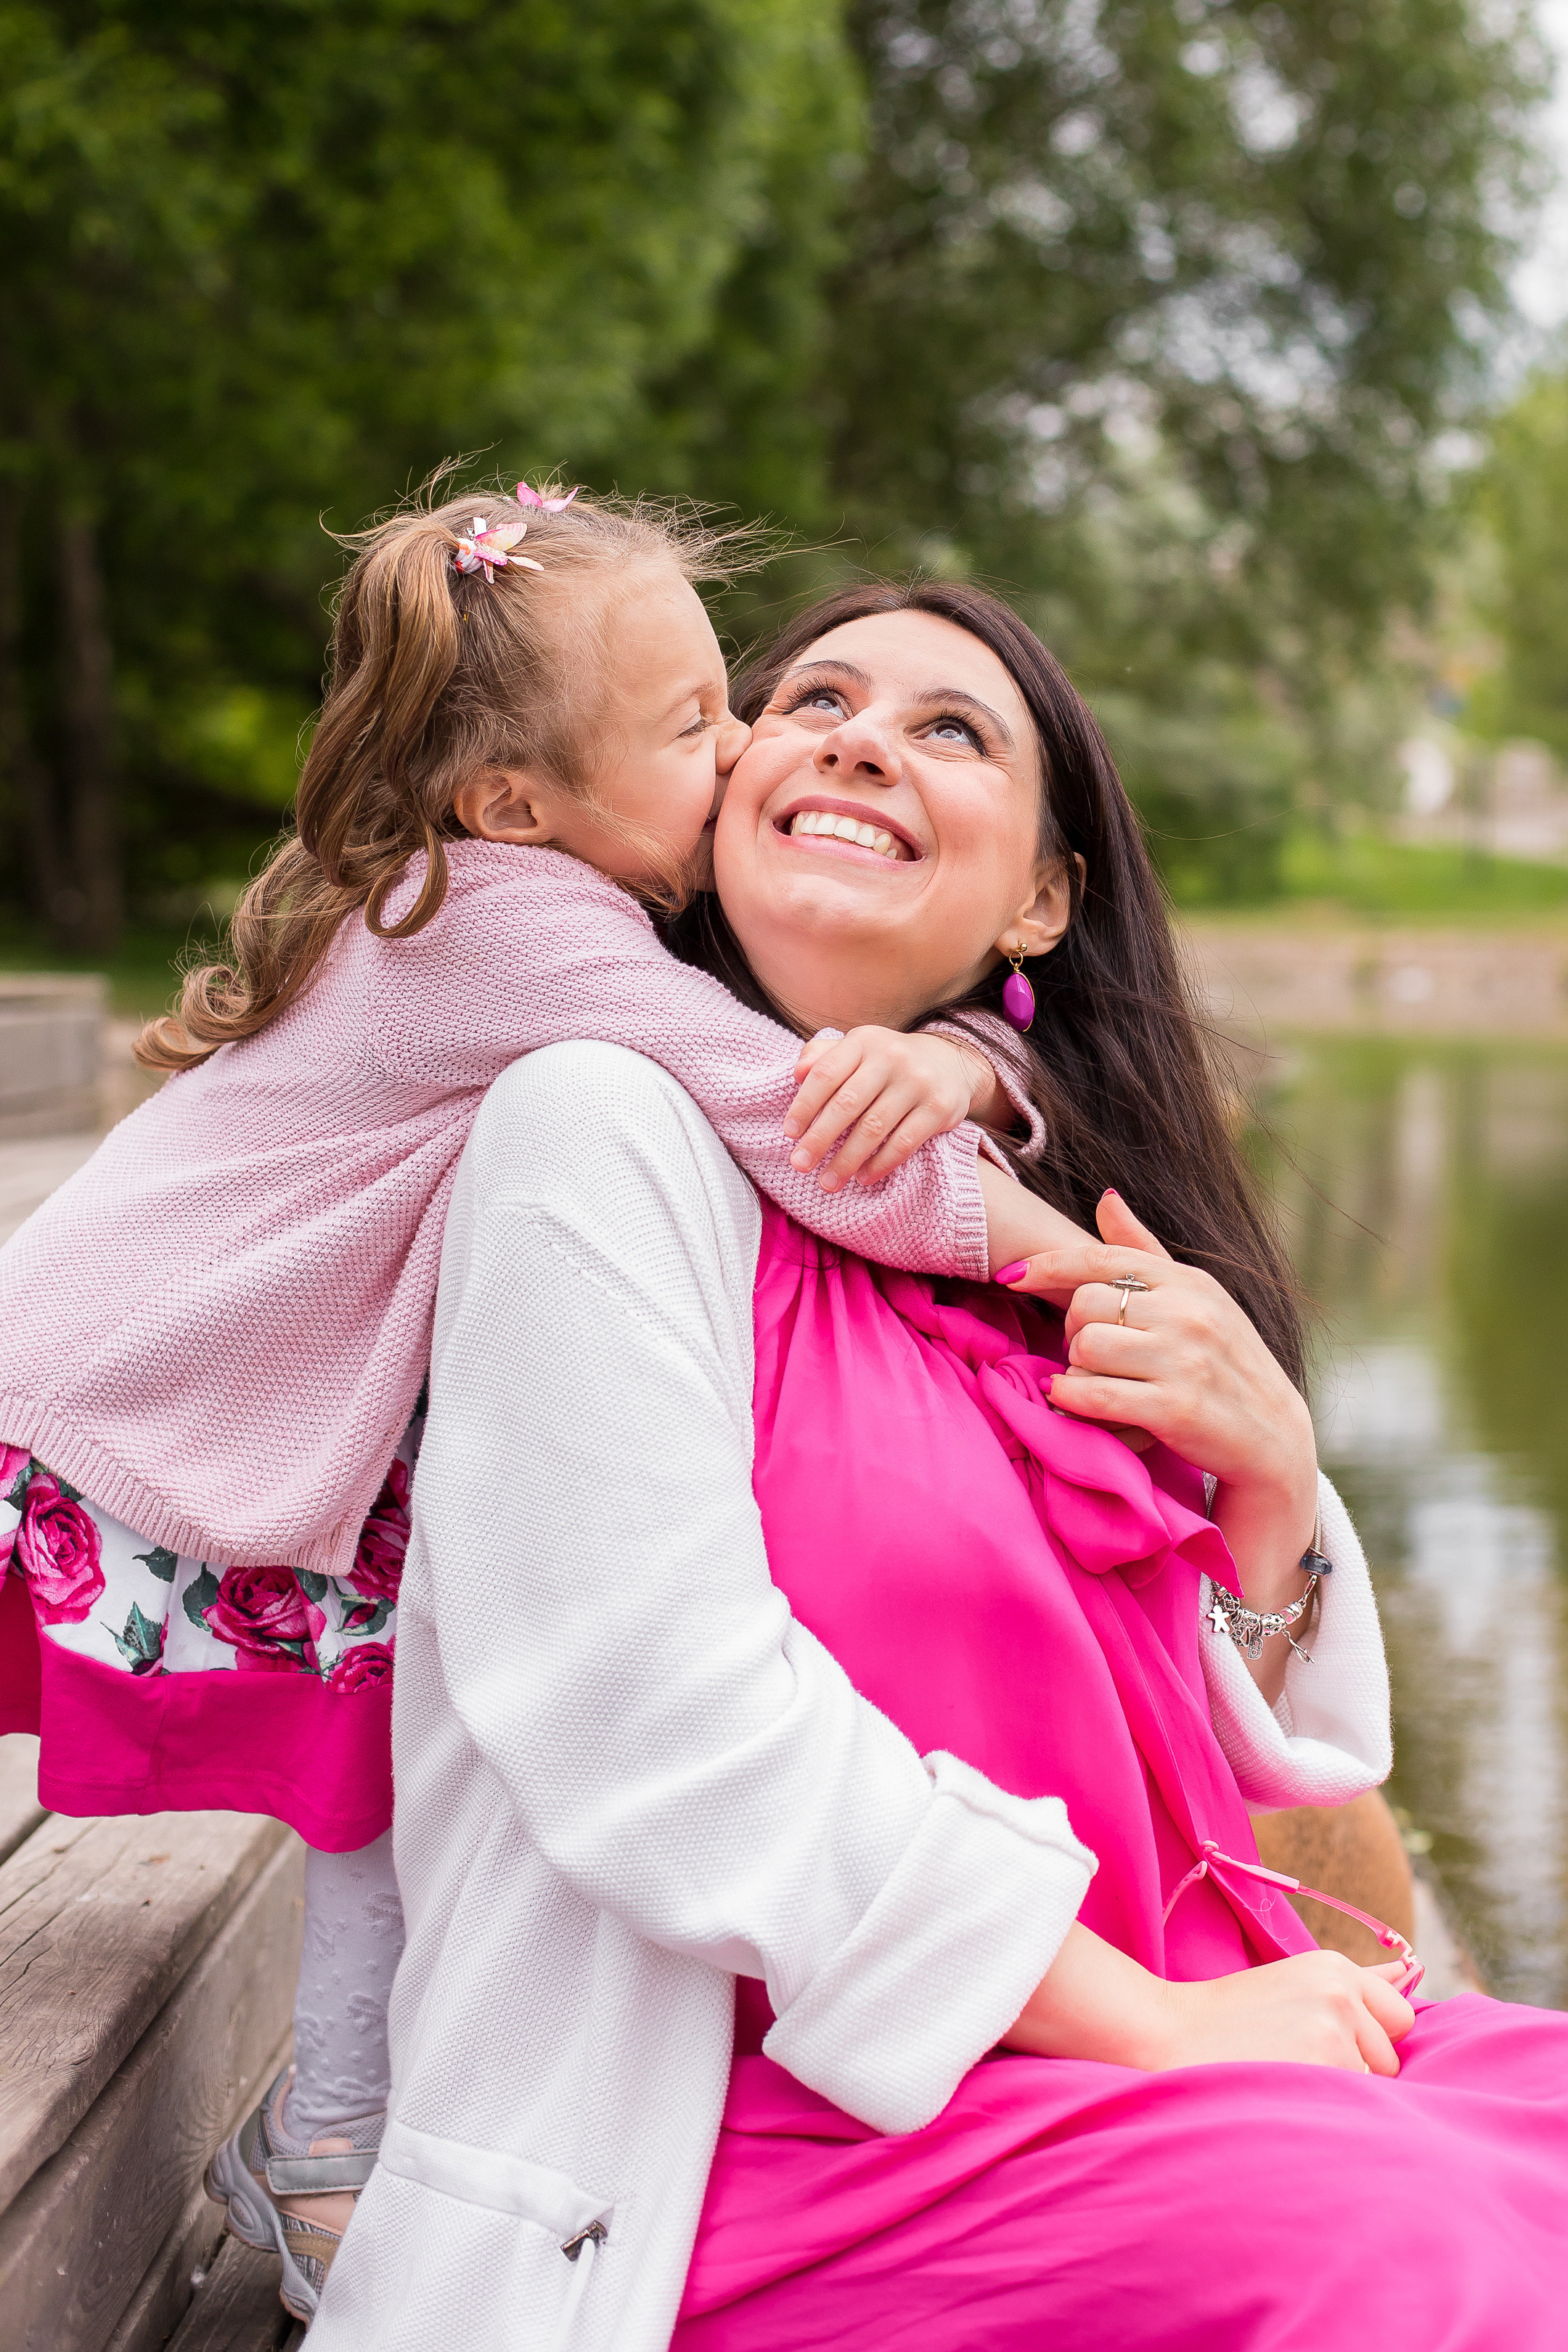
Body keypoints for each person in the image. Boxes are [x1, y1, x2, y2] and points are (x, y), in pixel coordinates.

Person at [314, 580, 1568, 2352]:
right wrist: (1152, 2022)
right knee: (1405, 2258)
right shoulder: (593, 1129)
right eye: (811, 699)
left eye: (951, 728)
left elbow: (1237, 1794)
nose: (859, 738)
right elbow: (653, 1720)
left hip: (1171, 2052)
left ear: (1045, 897)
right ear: (715, 794)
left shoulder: (1034, 1235)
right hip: (751, 2143)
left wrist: (1276, 1487)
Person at [0, 494, 1090, 2323]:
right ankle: (330, 2156)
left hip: (148, 1372)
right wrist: (1091, 1269)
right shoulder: (529, 934)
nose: (748, 746)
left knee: (367, 1762)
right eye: (694, 729)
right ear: (518, 802)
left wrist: (974, 1054)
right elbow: (812, 1137)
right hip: (129, 1400)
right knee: (364, 1755)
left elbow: (843, 1049)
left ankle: (331, 2149)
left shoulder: (497, 889)